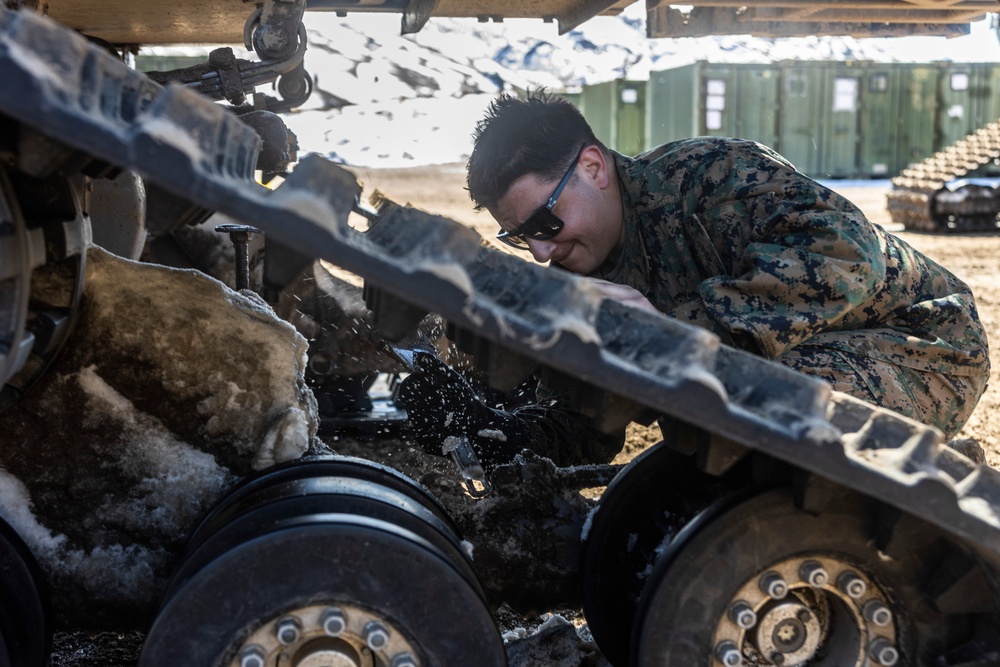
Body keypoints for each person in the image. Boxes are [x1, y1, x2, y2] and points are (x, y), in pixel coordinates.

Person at [397, 89, 990, 470]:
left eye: (546, 222)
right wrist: (490, 432)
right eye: (520, 236)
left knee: (738, 417)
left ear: (594, 168)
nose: (543, 251)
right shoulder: (590, 257)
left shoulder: (709, 178)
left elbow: (848, 254)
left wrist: (673, 333)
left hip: (922, 346)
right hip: (820, 354)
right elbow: (594, 421)